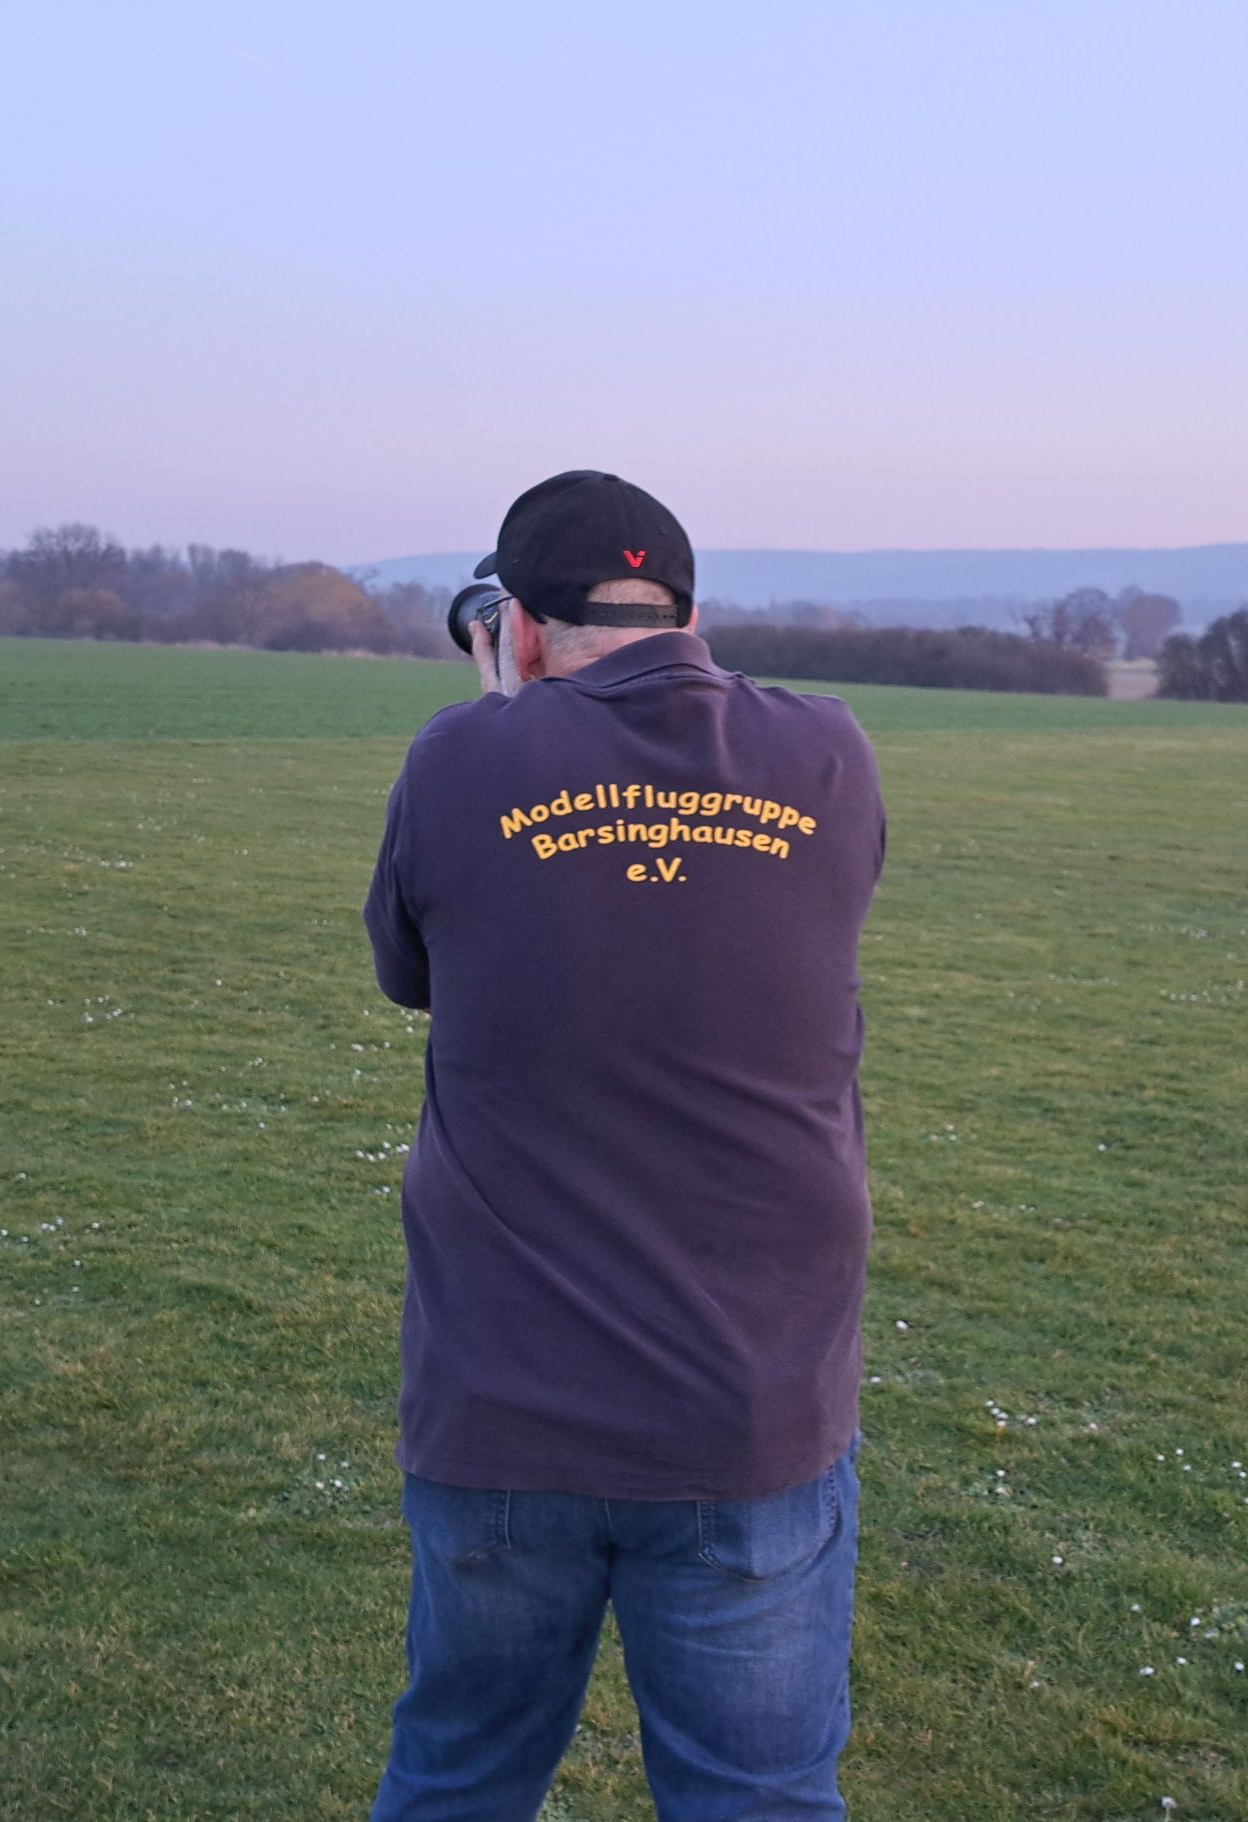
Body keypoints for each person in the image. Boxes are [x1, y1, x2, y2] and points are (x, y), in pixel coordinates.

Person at [361, 472, 886, 1819]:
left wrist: (508, 720)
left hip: (502, 1403)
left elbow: (412, 971)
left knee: (461, 1775)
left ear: (520, 629)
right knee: (759, 1796)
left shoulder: (459, 758)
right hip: (747, 1405)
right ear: (692, 616)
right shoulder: (828, 752)